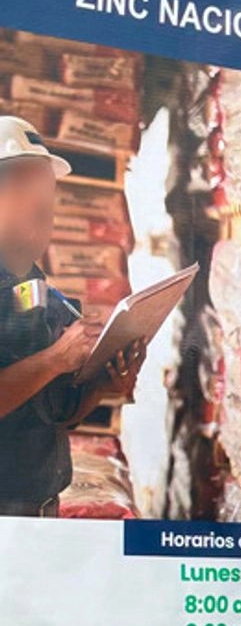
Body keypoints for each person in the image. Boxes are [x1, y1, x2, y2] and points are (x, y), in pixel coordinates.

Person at [0, 116, 146, 518]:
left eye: (47, 188)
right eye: (32, 186)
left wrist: (100, 386)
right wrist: (55, 360)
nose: (47, 201)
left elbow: (50, 411)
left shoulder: (28, 282)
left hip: (38, 505)